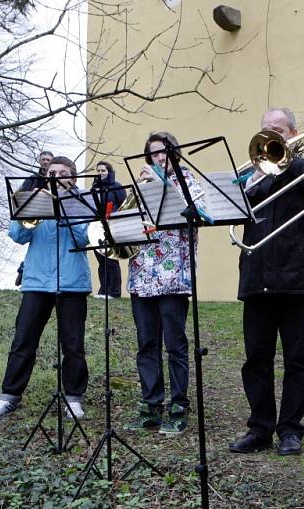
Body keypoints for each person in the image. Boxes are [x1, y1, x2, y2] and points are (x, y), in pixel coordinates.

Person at [228, 108, 304, 456]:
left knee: (296, 359)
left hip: (297, 279)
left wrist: (292, 161)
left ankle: (290, 429)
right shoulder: (253, 176)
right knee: (256, 358)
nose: (270, 136)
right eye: (265, 130)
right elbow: (232, 207)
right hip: (257, 278)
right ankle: (260, 428)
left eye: (277, 131)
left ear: (293, 133)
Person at [0, 156, 92, 420]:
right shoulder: (35, 197)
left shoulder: (82, 200)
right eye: (52, 172)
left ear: (73, 178)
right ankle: (9, 397)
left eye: (63, 173)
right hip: (36, 282)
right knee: (23, 341)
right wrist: (31, 208)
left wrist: (67, 207)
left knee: (73, 345)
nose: (56, 176)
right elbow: (18, 235)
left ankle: (73, 399)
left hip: (72, 282)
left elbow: (85, 237)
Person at [126, 131, 204, 437]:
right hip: (142, 274)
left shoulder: (188, 182)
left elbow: (197, 213)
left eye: (164, 152)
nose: (159, 158)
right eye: (154, 153)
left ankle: (179, 405)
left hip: (173, 276)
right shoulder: (142, 184)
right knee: (146, 344)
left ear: (175, 153)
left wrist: (162, 185)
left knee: (175, 344)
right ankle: (151, 405)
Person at [15, 151, 53, 286]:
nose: (46, 162)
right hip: (35, 214)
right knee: (35, 247)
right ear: (39, 161)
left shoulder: (55, 179)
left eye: (49, 160)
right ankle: (24, 270)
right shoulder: (32, 178)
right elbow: (20, 196)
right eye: (44, 159)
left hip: (52, 216)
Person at [91, 161, 127, 299]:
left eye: (103, 171)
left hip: (112, 226)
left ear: (109, 172)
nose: (100, 173)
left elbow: (124, 205)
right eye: (98, 171)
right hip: (96, 227)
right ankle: (103, 291)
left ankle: (114, 292)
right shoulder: (94, 187)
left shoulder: (116, 186)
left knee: (111, 259)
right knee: (101, 260)